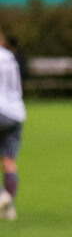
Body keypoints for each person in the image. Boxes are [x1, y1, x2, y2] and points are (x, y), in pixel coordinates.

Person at [0, 28, 25, 222]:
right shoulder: (9, 56)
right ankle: (8, 209)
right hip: (16, 112)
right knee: (8, 161)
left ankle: (3, 196)